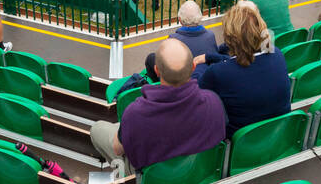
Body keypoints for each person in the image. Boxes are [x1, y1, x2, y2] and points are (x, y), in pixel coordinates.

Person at [88, 39, 226, 176]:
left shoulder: (135, 113)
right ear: (193, 67)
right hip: (195, 174)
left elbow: (117, 149)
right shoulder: (214, 102)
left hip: (152, 183)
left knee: (97, 128)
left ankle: (123, 178)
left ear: (157, 71)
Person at [194, 2, 292, 135]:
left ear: (229, 37)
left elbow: (194, 93)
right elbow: (244, 65)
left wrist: (199, 64)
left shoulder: (219, 73)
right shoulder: (277, 54)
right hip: (277, 135)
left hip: (238, 145)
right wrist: (211, 57)